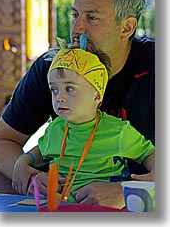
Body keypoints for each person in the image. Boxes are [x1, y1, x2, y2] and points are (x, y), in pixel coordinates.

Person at [0, 0, 155, 208]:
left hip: (136, 186)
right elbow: (0, 142)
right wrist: (30, 175)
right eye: (75, 15)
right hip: (62, 184)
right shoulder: (53, 67)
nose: (76, 29)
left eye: (92, 18)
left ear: (126, 28)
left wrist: (126, 192)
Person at [12, 47, 155, 205]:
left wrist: (153, 178)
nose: (60, 97)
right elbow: (41, 151)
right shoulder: (56, 128)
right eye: (54, 90)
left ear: (97, 95)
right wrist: (22, 162)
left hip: (102, 209)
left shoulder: (117, 131)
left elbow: (149, 154)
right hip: (59, 205)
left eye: (70, 89)